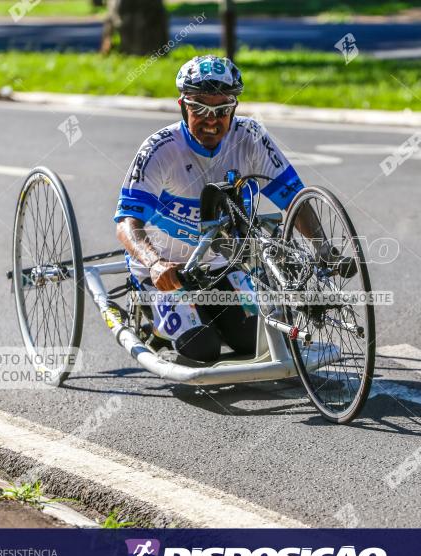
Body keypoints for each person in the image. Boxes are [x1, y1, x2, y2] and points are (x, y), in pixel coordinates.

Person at [115, 55, 305, 363]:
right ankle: (153, 319)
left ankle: (210, 314)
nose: (211, 118)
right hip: (169, 270)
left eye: (222, 109)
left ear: (234, 109)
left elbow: (295, 198)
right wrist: (154, 263)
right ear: (182, 105)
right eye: (199, 107)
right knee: (202, 350)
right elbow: (126, 221)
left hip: (221, 266)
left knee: (255, 342)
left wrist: (325, 252)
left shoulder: (251, 137)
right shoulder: (160, 149)